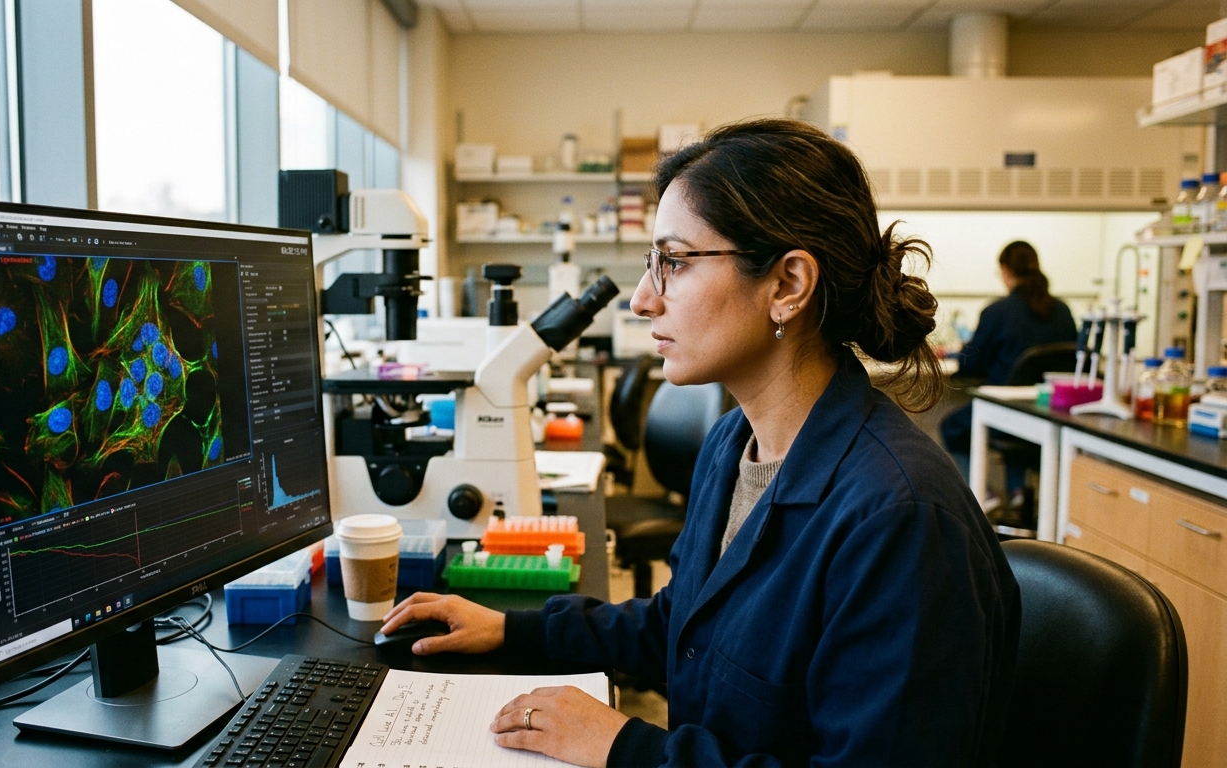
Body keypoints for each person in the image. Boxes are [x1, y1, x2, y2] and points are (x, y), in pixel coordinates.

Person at [381, 119, 1020, 767]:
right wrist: (517, 628)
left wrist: (624, 745)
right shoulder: (733, 443)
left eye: (675, 263)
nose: (640, 300)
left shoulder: (898, 519)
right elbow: (681, 627)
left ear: (788, 285)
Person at [940, 241, 1078, 473]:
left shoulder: (997, 312)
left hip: (1005, 414)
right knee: (1019, 432)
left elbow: (971, 364)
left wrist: (961, 356)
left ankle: (983, 494)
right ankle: (1016, 493)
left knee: (951, 427)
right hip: (1051, 415)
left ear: (1005, 271)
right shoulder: (1062, 311)